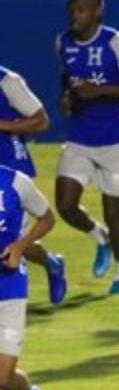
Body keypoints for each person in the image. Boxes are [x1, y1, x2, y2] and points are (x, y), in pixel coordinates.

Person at [54, 0, 119, 294]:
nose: (75, 15)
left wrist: (101, 91)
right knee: (65, 205)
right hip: (80, 136)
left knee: (114, 212)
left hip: (114, 138)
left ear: (97, 13)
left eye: (82, 10)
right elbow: (67, 79)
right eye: (72, 9)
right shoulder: (63, 42)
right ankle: (99, 236)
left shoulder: (116, 42)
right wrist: (66, 99)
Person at [0, 163, 57, 390]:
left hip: (9, 285)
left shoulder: (15, 182)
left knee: (2, 375)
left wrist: (20, 247)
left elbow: (47, 218)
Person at [0, 65, 67, 304]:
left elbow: (41, 121)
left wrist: (3, 125)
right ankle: (52, 262)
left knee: (11, 241)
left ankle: (51, 265)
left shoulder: (7, 81)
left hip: (11, 171)